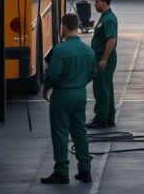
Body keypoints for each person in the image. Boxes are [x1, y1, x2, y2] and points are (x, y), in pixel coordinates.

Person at [40, 13, 96, 185]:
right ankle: (85, 169)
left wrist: (46, 88)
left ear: (63, 27)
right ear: (78, 26)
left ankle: (61, 171)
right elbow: (93, 72)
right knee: (79, 131)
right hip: (80, 94)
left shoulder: (61, 50)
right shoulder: (88, 50)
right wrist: (80, 83)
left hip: (62, 95)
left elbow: (53, 74)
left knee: (60, 132)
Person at [87, 0, 118, 129]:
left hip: (104, 58)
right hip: (101, 57)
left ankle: (101, 118)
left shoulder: (108, 19)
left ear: (105, 2)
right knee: (107, 87)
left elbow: (111, 40)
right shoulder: (105, 17)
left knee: (101, 89)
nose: (95, 4)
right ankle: (109, 116)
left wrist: (104, 59)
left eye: (97, 2)